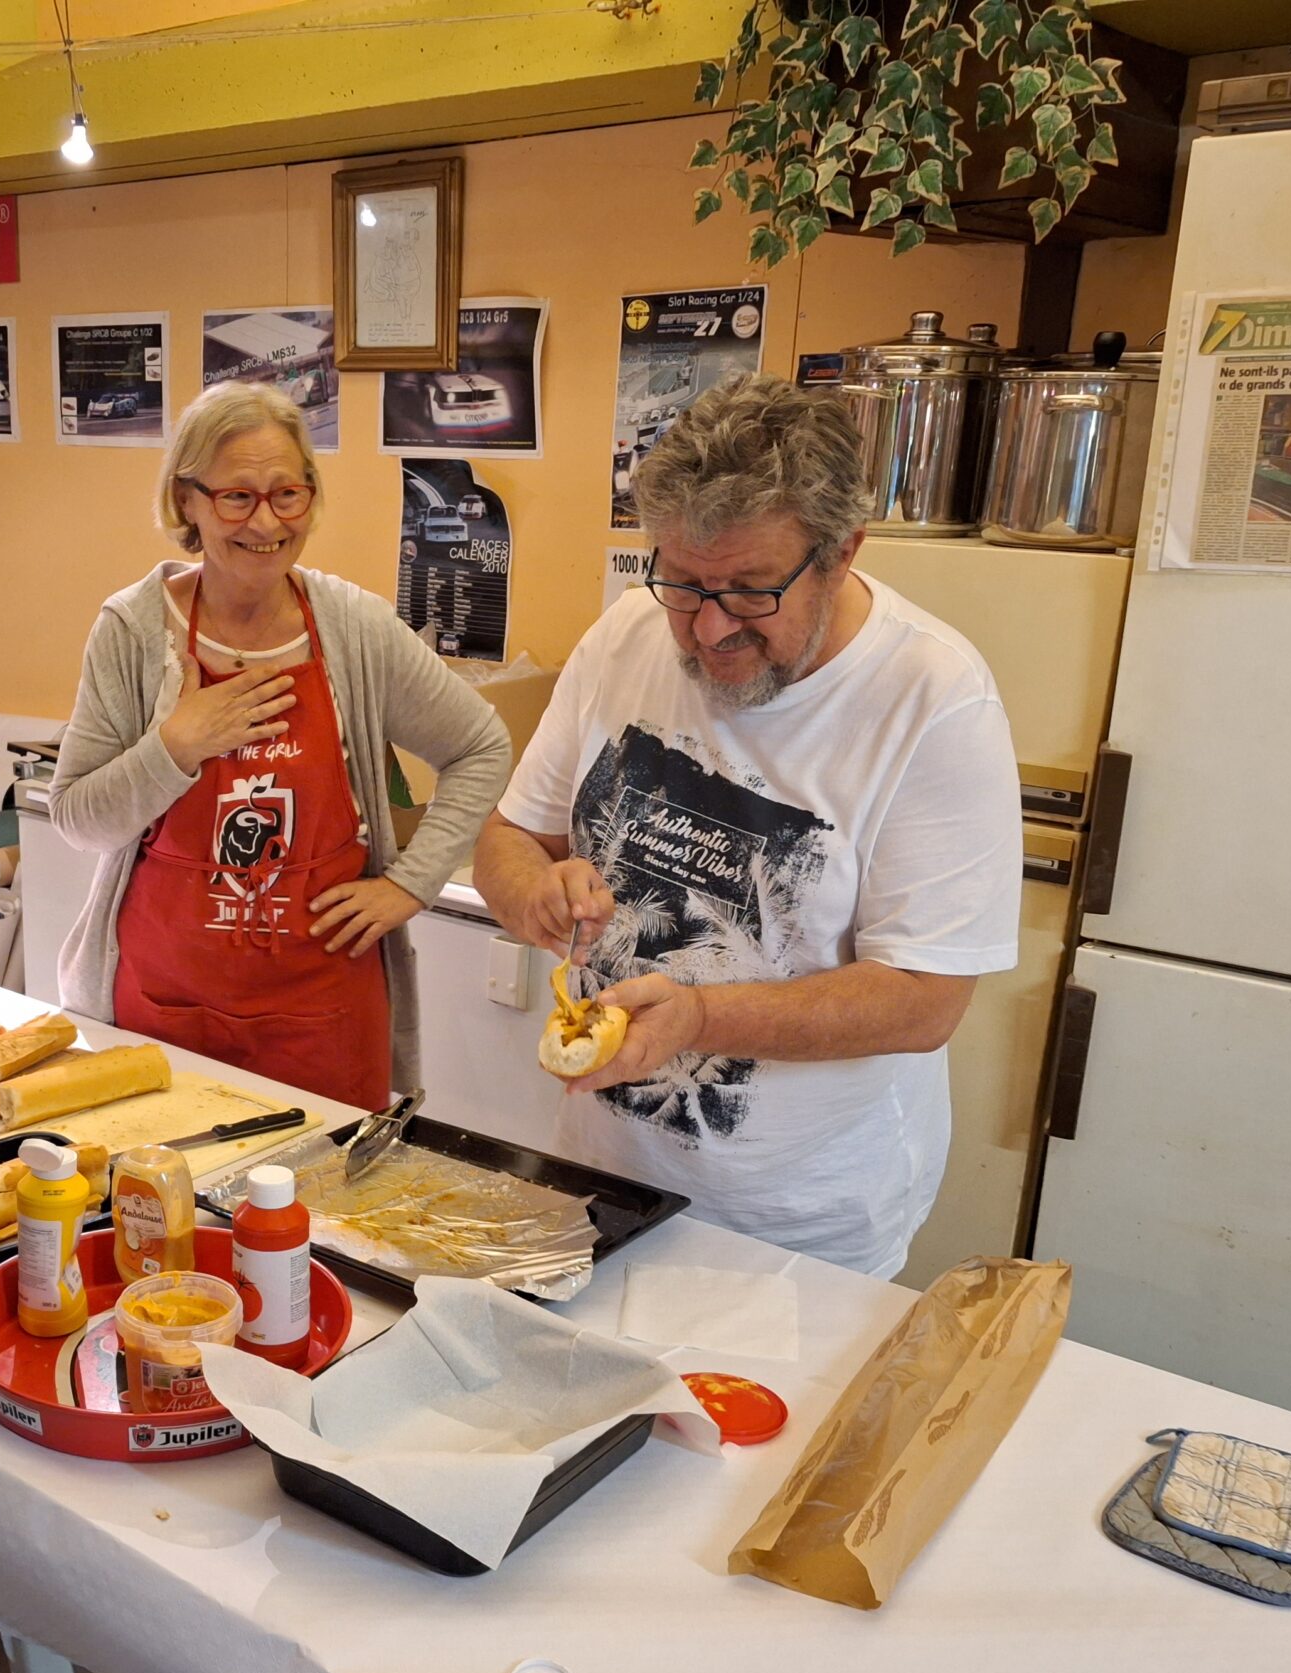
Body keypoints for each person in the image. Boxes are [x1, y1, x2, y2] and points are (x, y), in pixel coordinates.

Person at [474, 373, 1020, 1278]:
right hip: (599, 1178)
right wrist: (532, 891)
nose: (707, 630)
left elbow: (925, 999)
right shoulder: (627, 635)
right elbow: (511, 838)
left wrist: (695, 1017)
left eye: (749, 591)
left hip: (798, 1223)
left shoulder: (935, 698)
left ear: (842, 553)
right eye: (682, 585)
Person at [49, 380, 511, 1110]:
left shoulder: (354, 627)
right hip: (166, 1007)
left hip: (322, 1016)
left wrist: (409, 884)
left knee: (320, 1218)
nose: (266, 522)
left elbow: (481, 745)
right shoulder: (134, 631)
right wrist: (174, 746)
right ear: (187, 501)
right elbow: (77, 818)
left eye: (286, 494)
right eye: (237, 497)